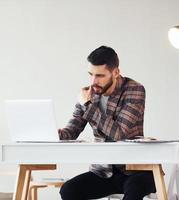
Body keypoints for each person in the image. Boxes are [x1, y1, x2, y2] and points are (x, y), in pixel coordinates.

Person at [58, 46, 156, 200]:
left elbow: (119, 133)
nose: (93, 81)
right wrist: (51, 132)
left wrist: (88, 106)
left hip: (134, 171)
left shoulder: (134, 90)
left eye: (99, 75)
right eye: (90, 74)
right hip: (103, 172)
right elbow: (71, 131)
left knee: (134, 191)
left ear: (115, 72)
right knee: (68, 190)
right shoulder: (88, 95)